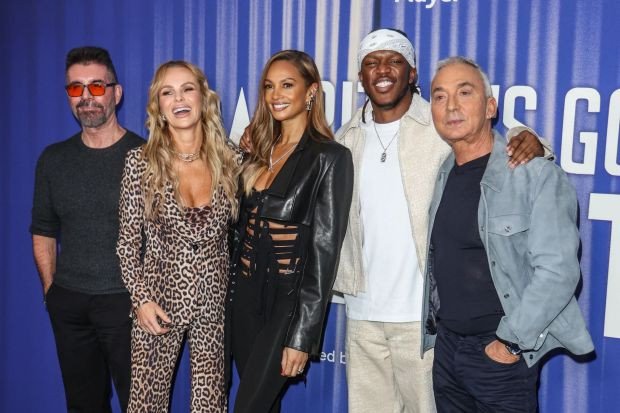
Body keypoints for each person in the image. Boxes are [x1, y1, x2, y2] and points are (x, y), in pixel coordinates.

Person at [332, 29, 547, 413]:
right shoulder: (345, 138)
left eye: (394, 60)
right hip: (362, 317)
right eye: (371, 62)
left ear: (412, 73)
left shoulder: (439, 124)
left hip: (423, 321)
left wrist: (528, 136)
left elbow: (491, 139)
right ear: (361, 77)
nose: (382, 70)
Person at [422, 56, 594, 412]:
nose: (451, 105)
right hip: (448, 351)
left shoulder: (534, 174)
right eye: (439, 96)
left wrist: (509, 344)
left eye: (464, 92)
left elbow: (558, 271)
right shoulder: (443, 171)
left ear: (490, 107)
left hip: (498, 357)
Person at [228, 50, 353, 413]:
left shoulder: (331, 157)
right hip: (242, 299)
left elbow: (323, 255)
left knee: (248, 407)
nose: (276, 95)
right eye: (269, 86)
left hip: (287, 304)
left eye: (287, 85)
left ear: (311, 91)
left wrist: (302, 336)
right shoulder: (255, 152)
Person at [116, 60, 239, 412]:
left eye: (187, 89)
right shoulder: (139, 163)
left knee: (210, 404)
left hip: (213, 302)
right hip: (157, 301)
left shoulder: (231, 159)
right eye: (167, 92)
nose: (179, 99)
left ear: (203, 97)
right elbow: (126, 243)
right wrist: (140, 300)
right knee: (146, 404)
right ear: (158, 106)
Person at [30, 46, 143, 412]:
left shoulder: (148, 156)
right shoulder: (53, 159)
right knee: (83, 406)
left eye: (97, 86)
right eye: (76, 88)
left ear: (116, 92)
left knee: (141, 405)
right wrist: (52, 293)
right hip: (70, 303)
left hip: (128, 306)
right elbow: (43, 230)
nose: (86, 98)